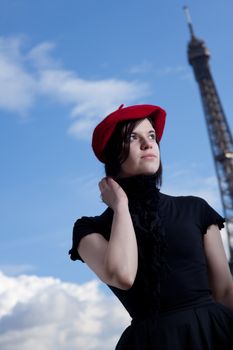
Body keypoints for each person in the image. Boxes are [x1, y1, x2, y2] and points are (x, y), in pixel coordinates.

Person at [69, 104, 233, 349]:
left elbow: (225, 291)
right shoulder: (89, 229)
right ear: (114, 153)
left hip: (215, 333)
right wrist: (121, 207)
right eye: (133, 137)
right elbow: (122, 275)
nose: (148, 144)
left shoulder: (195, 209)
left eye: (152, 136)